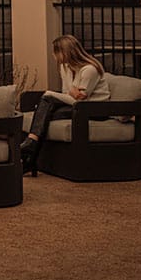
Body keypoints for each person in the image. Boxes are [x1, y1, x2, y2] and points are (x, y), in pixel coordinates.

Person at [20, 34, 110, 175]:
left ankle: (31, 151)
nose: (54, 56)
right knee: (45, 113)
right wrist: (71, 92)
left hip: (94, 110)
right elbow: (69, 93)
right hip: (77, 106)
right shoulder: (65, 67)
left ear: (66, 52)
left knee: (46, 103)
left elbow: (81, 100)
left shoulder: (89, 70)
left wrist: (51, 94)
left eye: (56, 52)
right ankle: (31, 156)